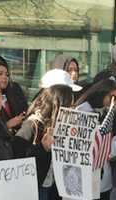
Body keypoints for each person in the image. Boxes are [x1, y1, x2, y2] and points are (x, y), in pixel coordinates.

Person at [14, 69, 81, 200]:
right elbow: (17, 159)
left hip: (52, 185)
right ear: (60, 98)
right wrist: (42, 148)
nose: (72, 102)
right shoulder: (32, 125)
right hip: (36, 188)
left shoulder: (58, 123)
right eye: (69, 97)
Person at [0, 62, 28, 134]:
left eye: (7, 74)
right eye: (0, 74)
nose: (4, 77)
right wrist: (7, 125)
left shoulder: (12, 95)